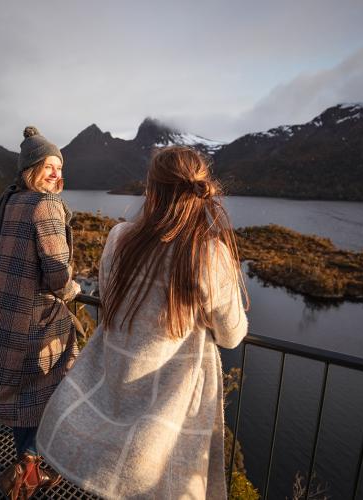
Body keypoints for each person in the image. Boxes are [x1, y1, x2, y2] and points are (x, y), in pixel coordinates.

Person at [36, 146, 249, 499]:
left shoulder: (120, 238)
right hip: (169, 413)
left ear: (152, 190)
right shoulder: (208, 254)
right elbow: (231, 335)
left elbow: (109, 296)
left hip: (113, 387)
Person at [0, 126, 81, 499]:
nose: (55, 174)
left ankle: (28, 466)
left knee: (22, 397)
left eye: (59, 167)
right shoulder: (45, 205)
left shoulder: (9, 201)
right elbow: (57, 273)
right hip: (33, 324)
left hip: (2, 318)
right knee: (49, 387)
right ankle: (25, 472)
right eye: (48, 166)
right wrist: (74, 290)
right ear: (30, 168)